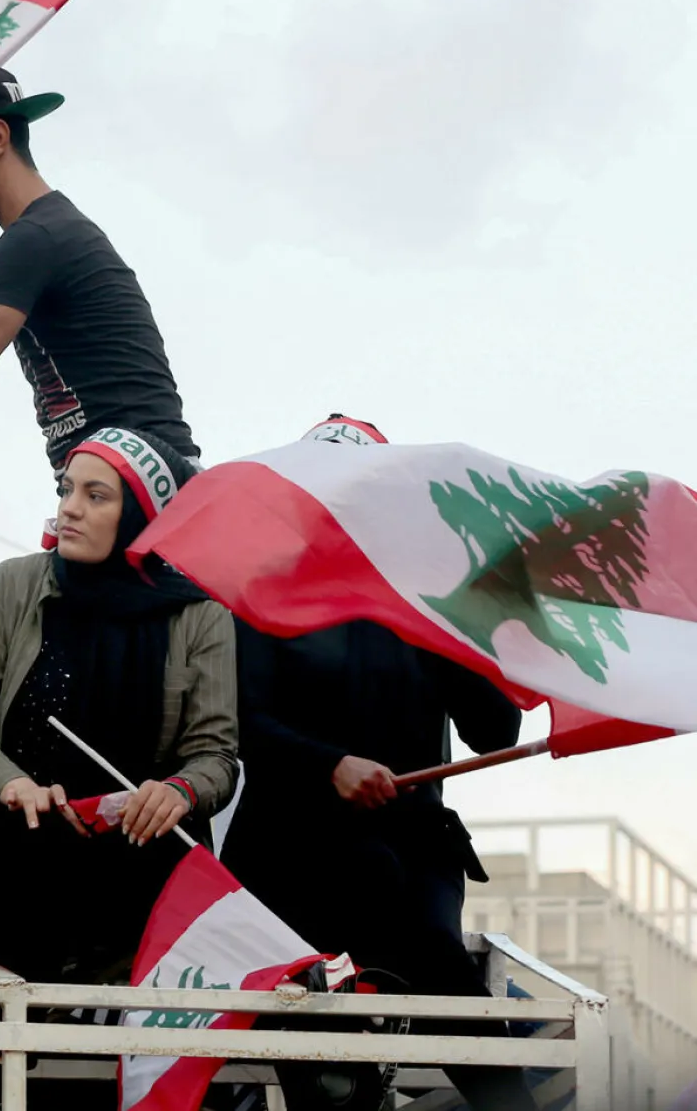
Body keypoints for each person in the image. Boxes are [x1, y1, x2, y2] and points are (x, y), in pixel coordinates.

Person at [220, 414, 536, 1111]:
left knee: (424, 942)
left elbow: (494, 730)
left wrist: (484, 618)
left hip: (413, 843)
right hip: (286, 841)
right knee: (337, 960)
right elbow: (237, 722)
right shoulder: (258, 589)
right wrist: (330, 764)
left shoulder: (431, 594)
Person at [0, 426, 237, 985]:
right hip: (5, 835)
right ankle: (8, 1047)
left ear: (141, 515)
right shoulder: (9, 586)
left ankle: (36, 1043)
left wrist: (179, 792)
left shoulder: (200, 615)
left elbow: (216, 755)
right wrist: (13, 785)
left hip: (130, 849)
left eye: (96, 497)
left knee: (157, 864)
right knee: (26, 846)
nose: (69, 509)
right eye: (66, 490)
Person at [0, 63, 197, 492]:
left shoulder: (35, 238)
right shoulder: (40, 234)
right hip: (126, 480)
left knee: (11, 567)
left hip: (136, 481)